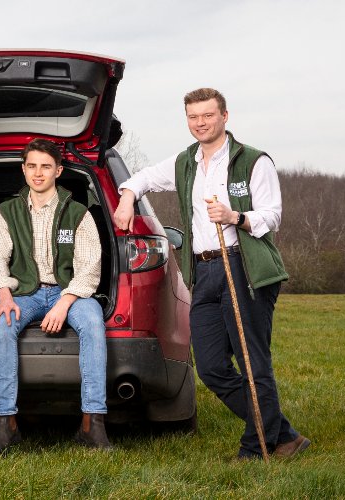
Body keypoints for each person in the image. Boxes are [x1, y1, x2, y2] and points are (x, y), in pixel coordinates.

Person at [113, 88, 308, 460]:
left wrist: (235, 217)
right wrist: (126, 198)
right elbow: (142, 178)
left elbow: (272, 214)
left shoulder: (252, 160)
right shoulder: (186, 162)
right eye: (193, 117)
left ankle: (257, 446)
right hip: (202, 270)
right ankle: (281, 432)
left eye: (207, 115)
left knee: (253, 360)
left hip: (242, 265)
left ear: (224, 116)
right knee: (211, 366)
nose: (200, 123)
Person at [0, 139, 110, 456]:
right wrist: (4, 297)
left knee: (94, 322)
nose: (38, 173)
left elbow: (89, 267)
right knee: (3, 325)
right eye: (32, 166)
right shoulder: (7, 212)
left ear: (58, 170)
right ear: (23, 169)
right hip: (24, 292)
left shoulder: (78, 213)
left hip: (70, 291)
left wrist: (64, 303)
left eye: (45, 166)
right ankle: (6, 423)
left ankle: (91, 423)